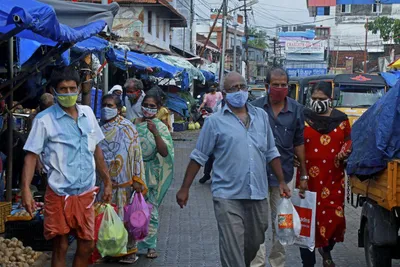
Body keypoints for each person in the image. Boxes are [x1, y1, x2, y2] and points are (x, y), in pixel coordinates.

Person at [176, 71, 291, 267]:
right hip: (227, 196)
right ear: (224, 93)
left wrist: (281, 181)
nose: (239, 91)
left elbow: (271, 152)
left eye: (242, 87)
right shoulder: (214, 122)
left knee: (255, 241)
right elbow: (199, 157)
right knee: (232, 247)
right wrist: (185, 188)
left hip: (257, 193)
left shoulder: (261, 116)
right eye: (233, 88)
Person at [21, 67, 112, 267]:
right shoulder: (44, 120)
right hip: (59, 193)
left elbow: (96, 149)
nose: (68, 93)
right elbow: (31, 156)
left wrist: (107, 180)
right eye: (63, 89)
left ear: (79, 89)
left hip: (86, 192)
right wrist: (26, 189)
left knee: (87, 244)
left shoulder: (88, 113)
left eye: (72, 88)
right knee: (60, 245)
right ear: (54, 91)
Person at [251, 67, 308, 267]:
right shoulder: (255, 108)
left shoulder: (297, 110)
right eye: (276, 85)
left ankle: (278, 263)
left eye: (284, 85)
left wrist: (304, 175)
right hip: (257, 175)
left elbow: (299, 143)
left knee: (283, 223)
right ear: (267, 86)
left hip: (285, 176)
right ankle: (257, 263)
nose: (280, 88)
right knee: (257, 223)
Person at [298, 81, 351, 267]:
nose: (317, 102)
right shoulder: (303, 117)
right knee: (306, 221)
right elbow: (293, 142)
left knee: (334, 219)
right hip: (307, 179)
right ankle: (308, 262)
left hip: (333, 178)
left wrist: (345, 152)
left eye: (322, 98)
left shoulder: (342, 120)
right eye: (314, 98)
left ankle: (326, 249)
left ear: (331, 99)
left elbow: (349, 141)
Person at [98, 94, 147, 263]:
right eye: (104, 105)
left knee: (127, 217)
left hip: (125, 182)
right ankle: (110, 250)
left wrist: (138, 178)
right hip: (104, 184)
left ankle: (129, 251)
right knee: (106, 218)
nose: (106, 108)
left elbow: (136, 154)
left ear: (119, 109)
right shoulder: (97, 128)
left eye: (110, 105)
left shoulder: (128, 128)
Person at [133, 94, 174, 259]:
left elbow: (165, 152)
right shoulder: (133, 124)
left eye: (152, 106)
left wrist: (155, 133)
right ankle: (132, 244)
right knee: (132, 208)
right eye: (146, 104)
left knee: (151, 210)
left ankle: (150, 245)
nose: (148, 108)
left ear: (158, 108)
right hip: (133, 172)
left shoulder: (161, 127)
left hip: (151, 173)